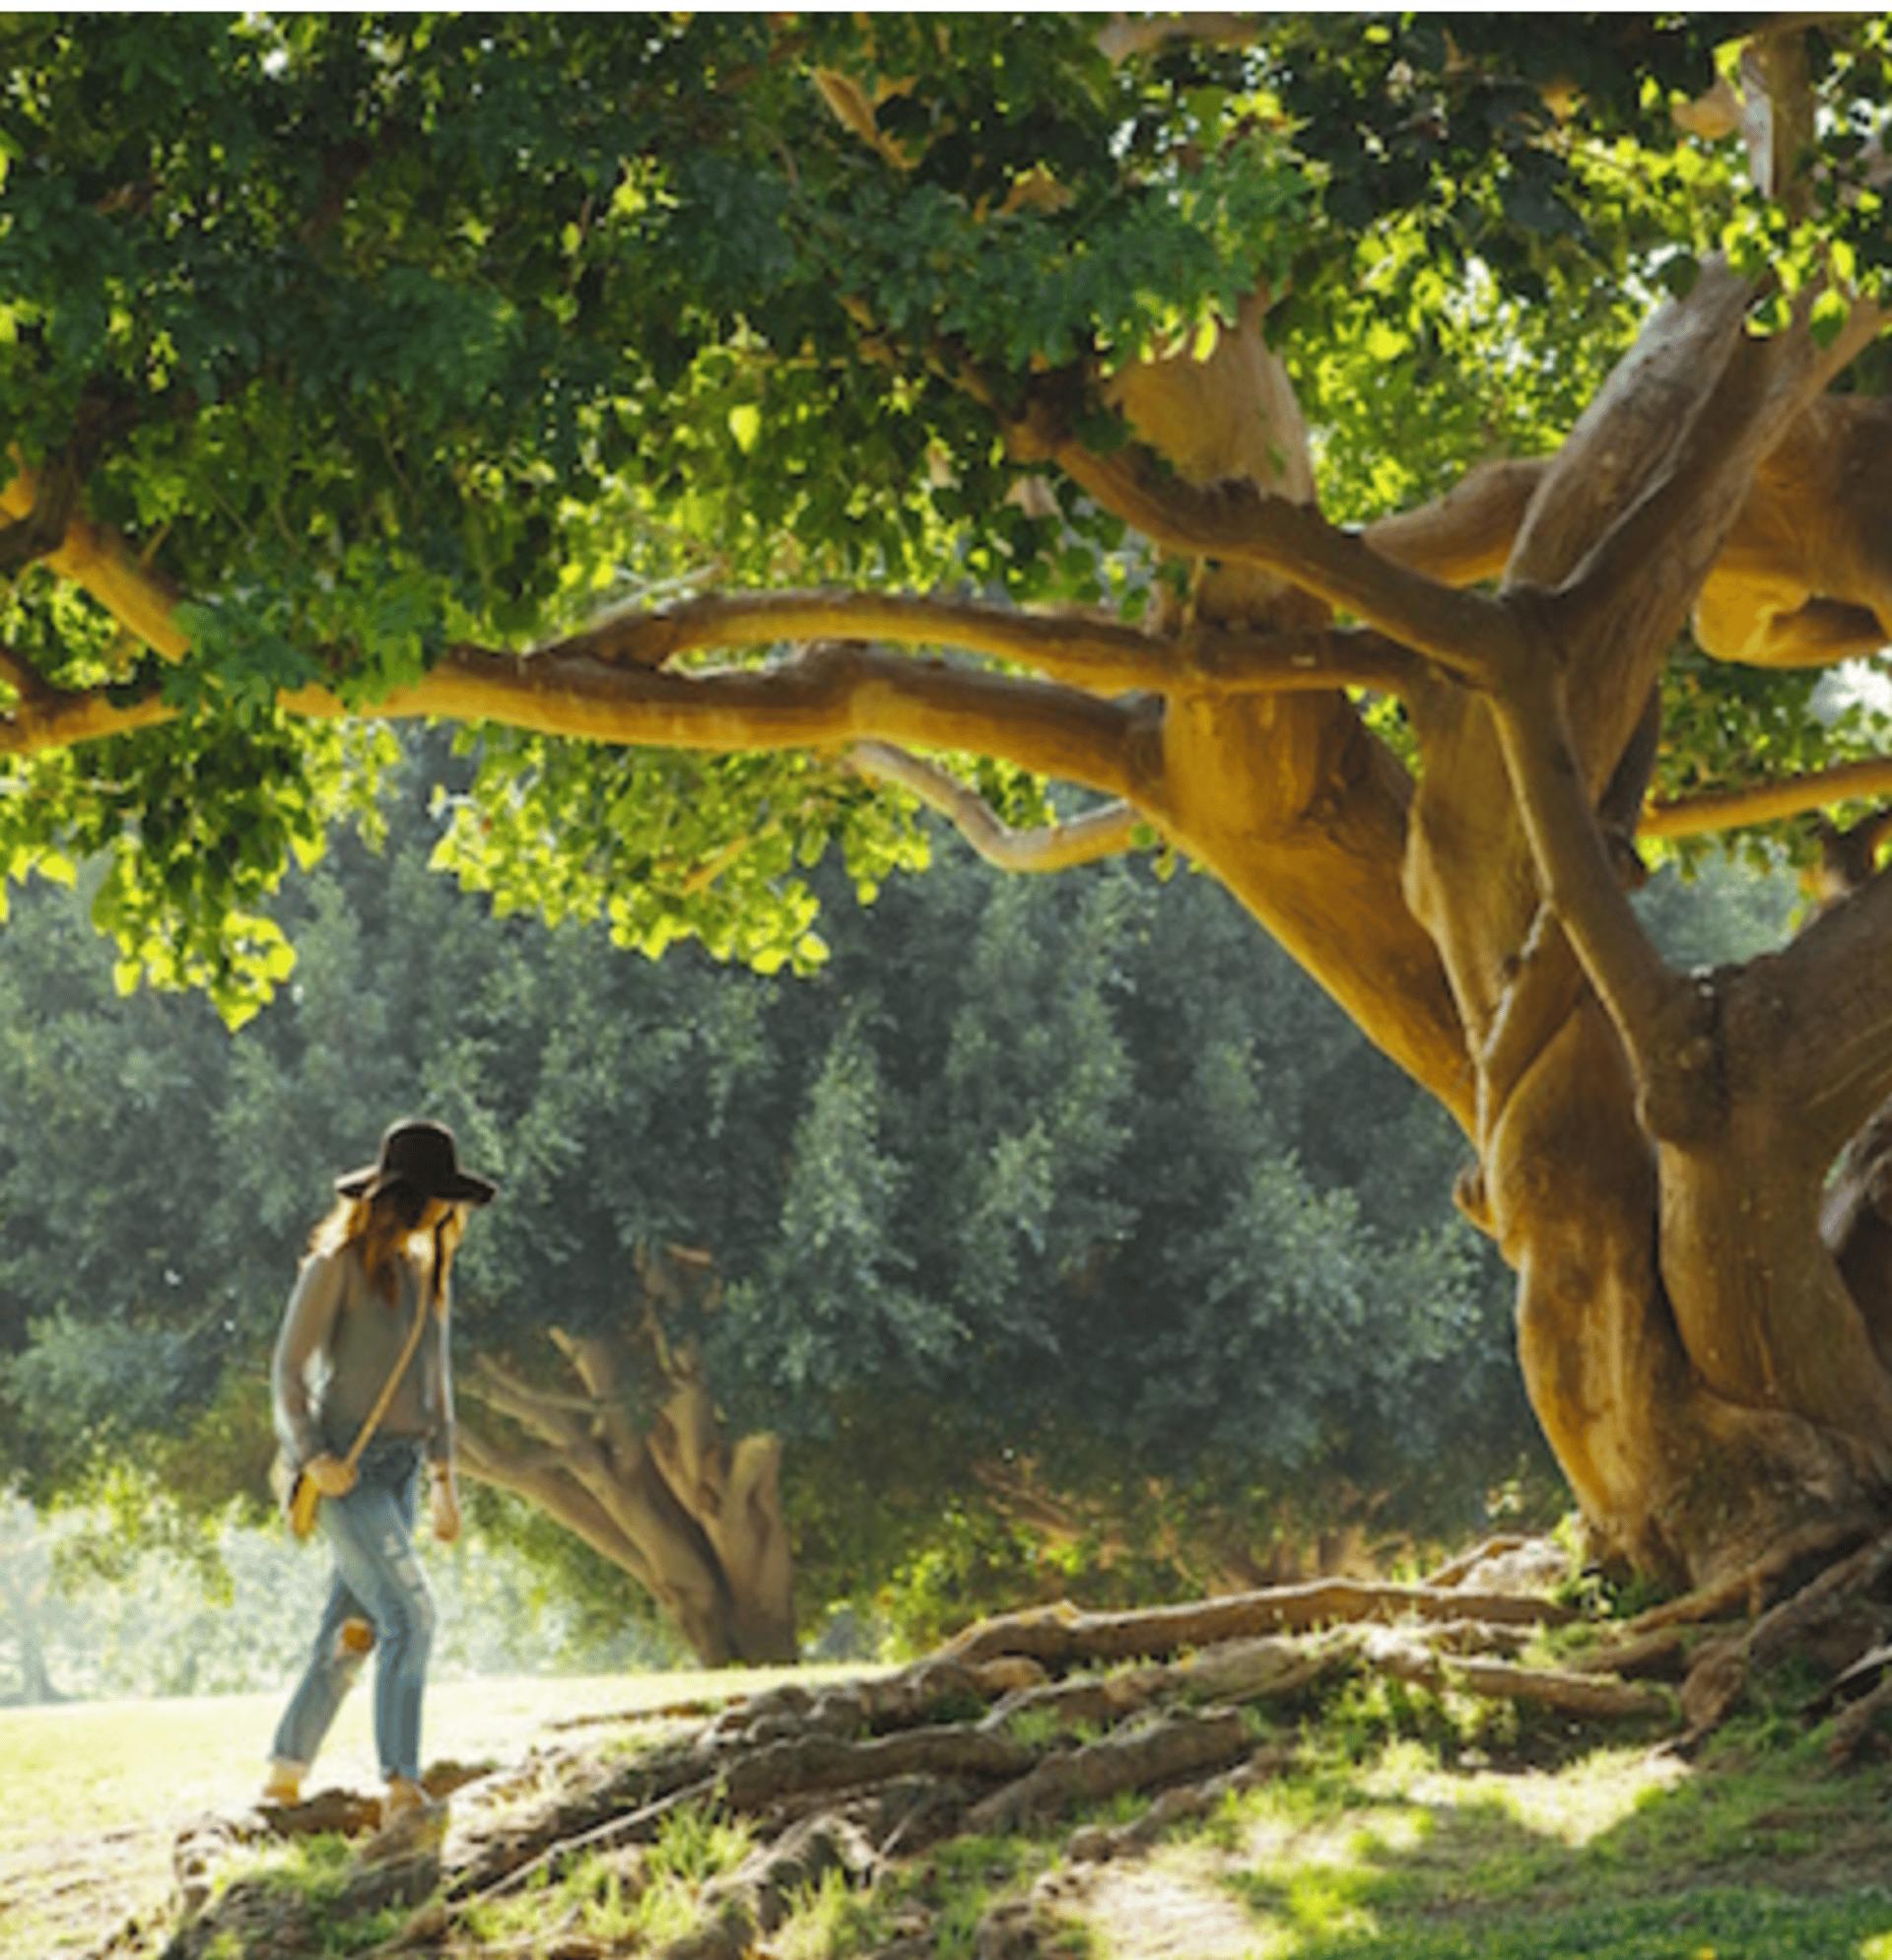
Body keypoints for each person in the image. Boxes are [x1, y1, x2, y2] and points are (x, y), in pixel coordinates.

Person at [263, 1118, 496, 1825]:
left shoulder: (427, 1276)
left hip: (397, 1476)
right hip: (346, 1473)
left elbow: (438, 1389)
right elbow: (288, 1371)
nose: (447, 1212)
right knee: (412, 1613)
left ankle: (284, 1768)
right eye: (439, 1197)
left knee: (354, 1628)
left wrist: (444, 1481)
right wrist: (312, 1454)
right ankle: (401, 1782)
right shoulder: (333, 1266)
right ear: (410, 1196)